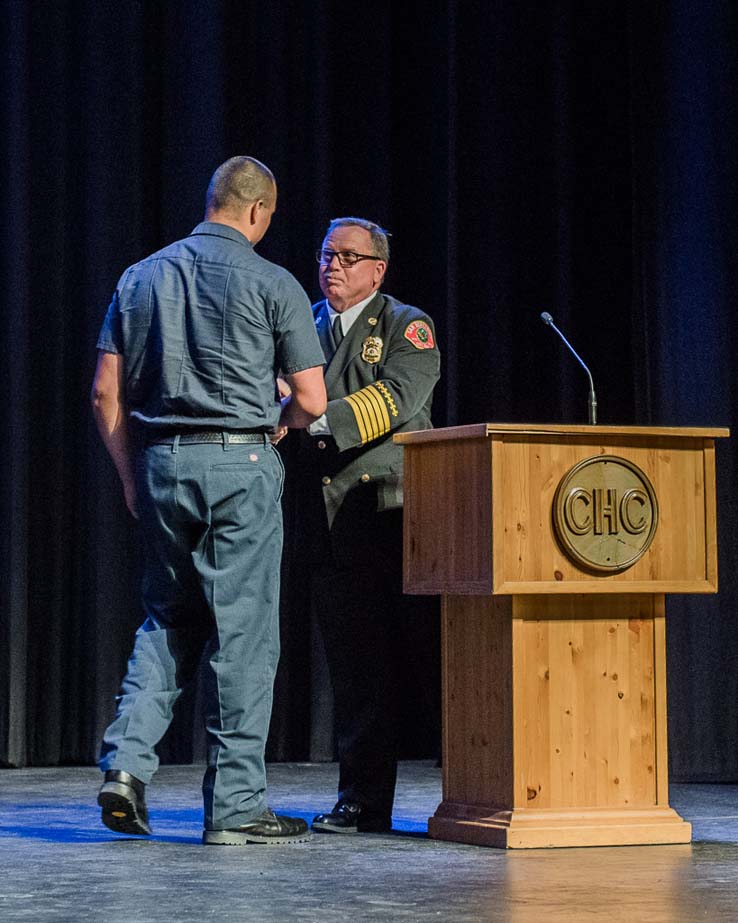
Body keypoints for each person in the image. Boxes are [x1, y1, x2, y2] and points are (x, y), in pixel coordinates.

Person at [91, 156, 326, 846]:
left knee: (168, 618)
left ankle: (127, 770)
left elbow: (105, 392)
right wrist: (281, 416)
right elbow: (312, 398)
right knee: (244, 635)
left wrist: (132, 474)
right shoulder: (274, 282)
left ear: (213, 200)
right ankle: (234, 806)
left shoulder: (140, 275)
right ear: (258, 211)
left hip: (162, 463)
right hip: (242, 461)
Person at [291, 217, 441, 833]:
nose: (334, 266)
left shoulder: (407, 324)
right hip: (327, 524)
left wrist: (303, 414)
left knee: (430, 662)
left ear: (377, 270)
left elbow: (395, 399)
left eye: (348, 257)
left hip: (393, 516)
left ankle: (471, 793)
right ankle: (362, 801)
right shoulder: (301, 323)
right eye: (327, 254)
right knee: (355, 672)